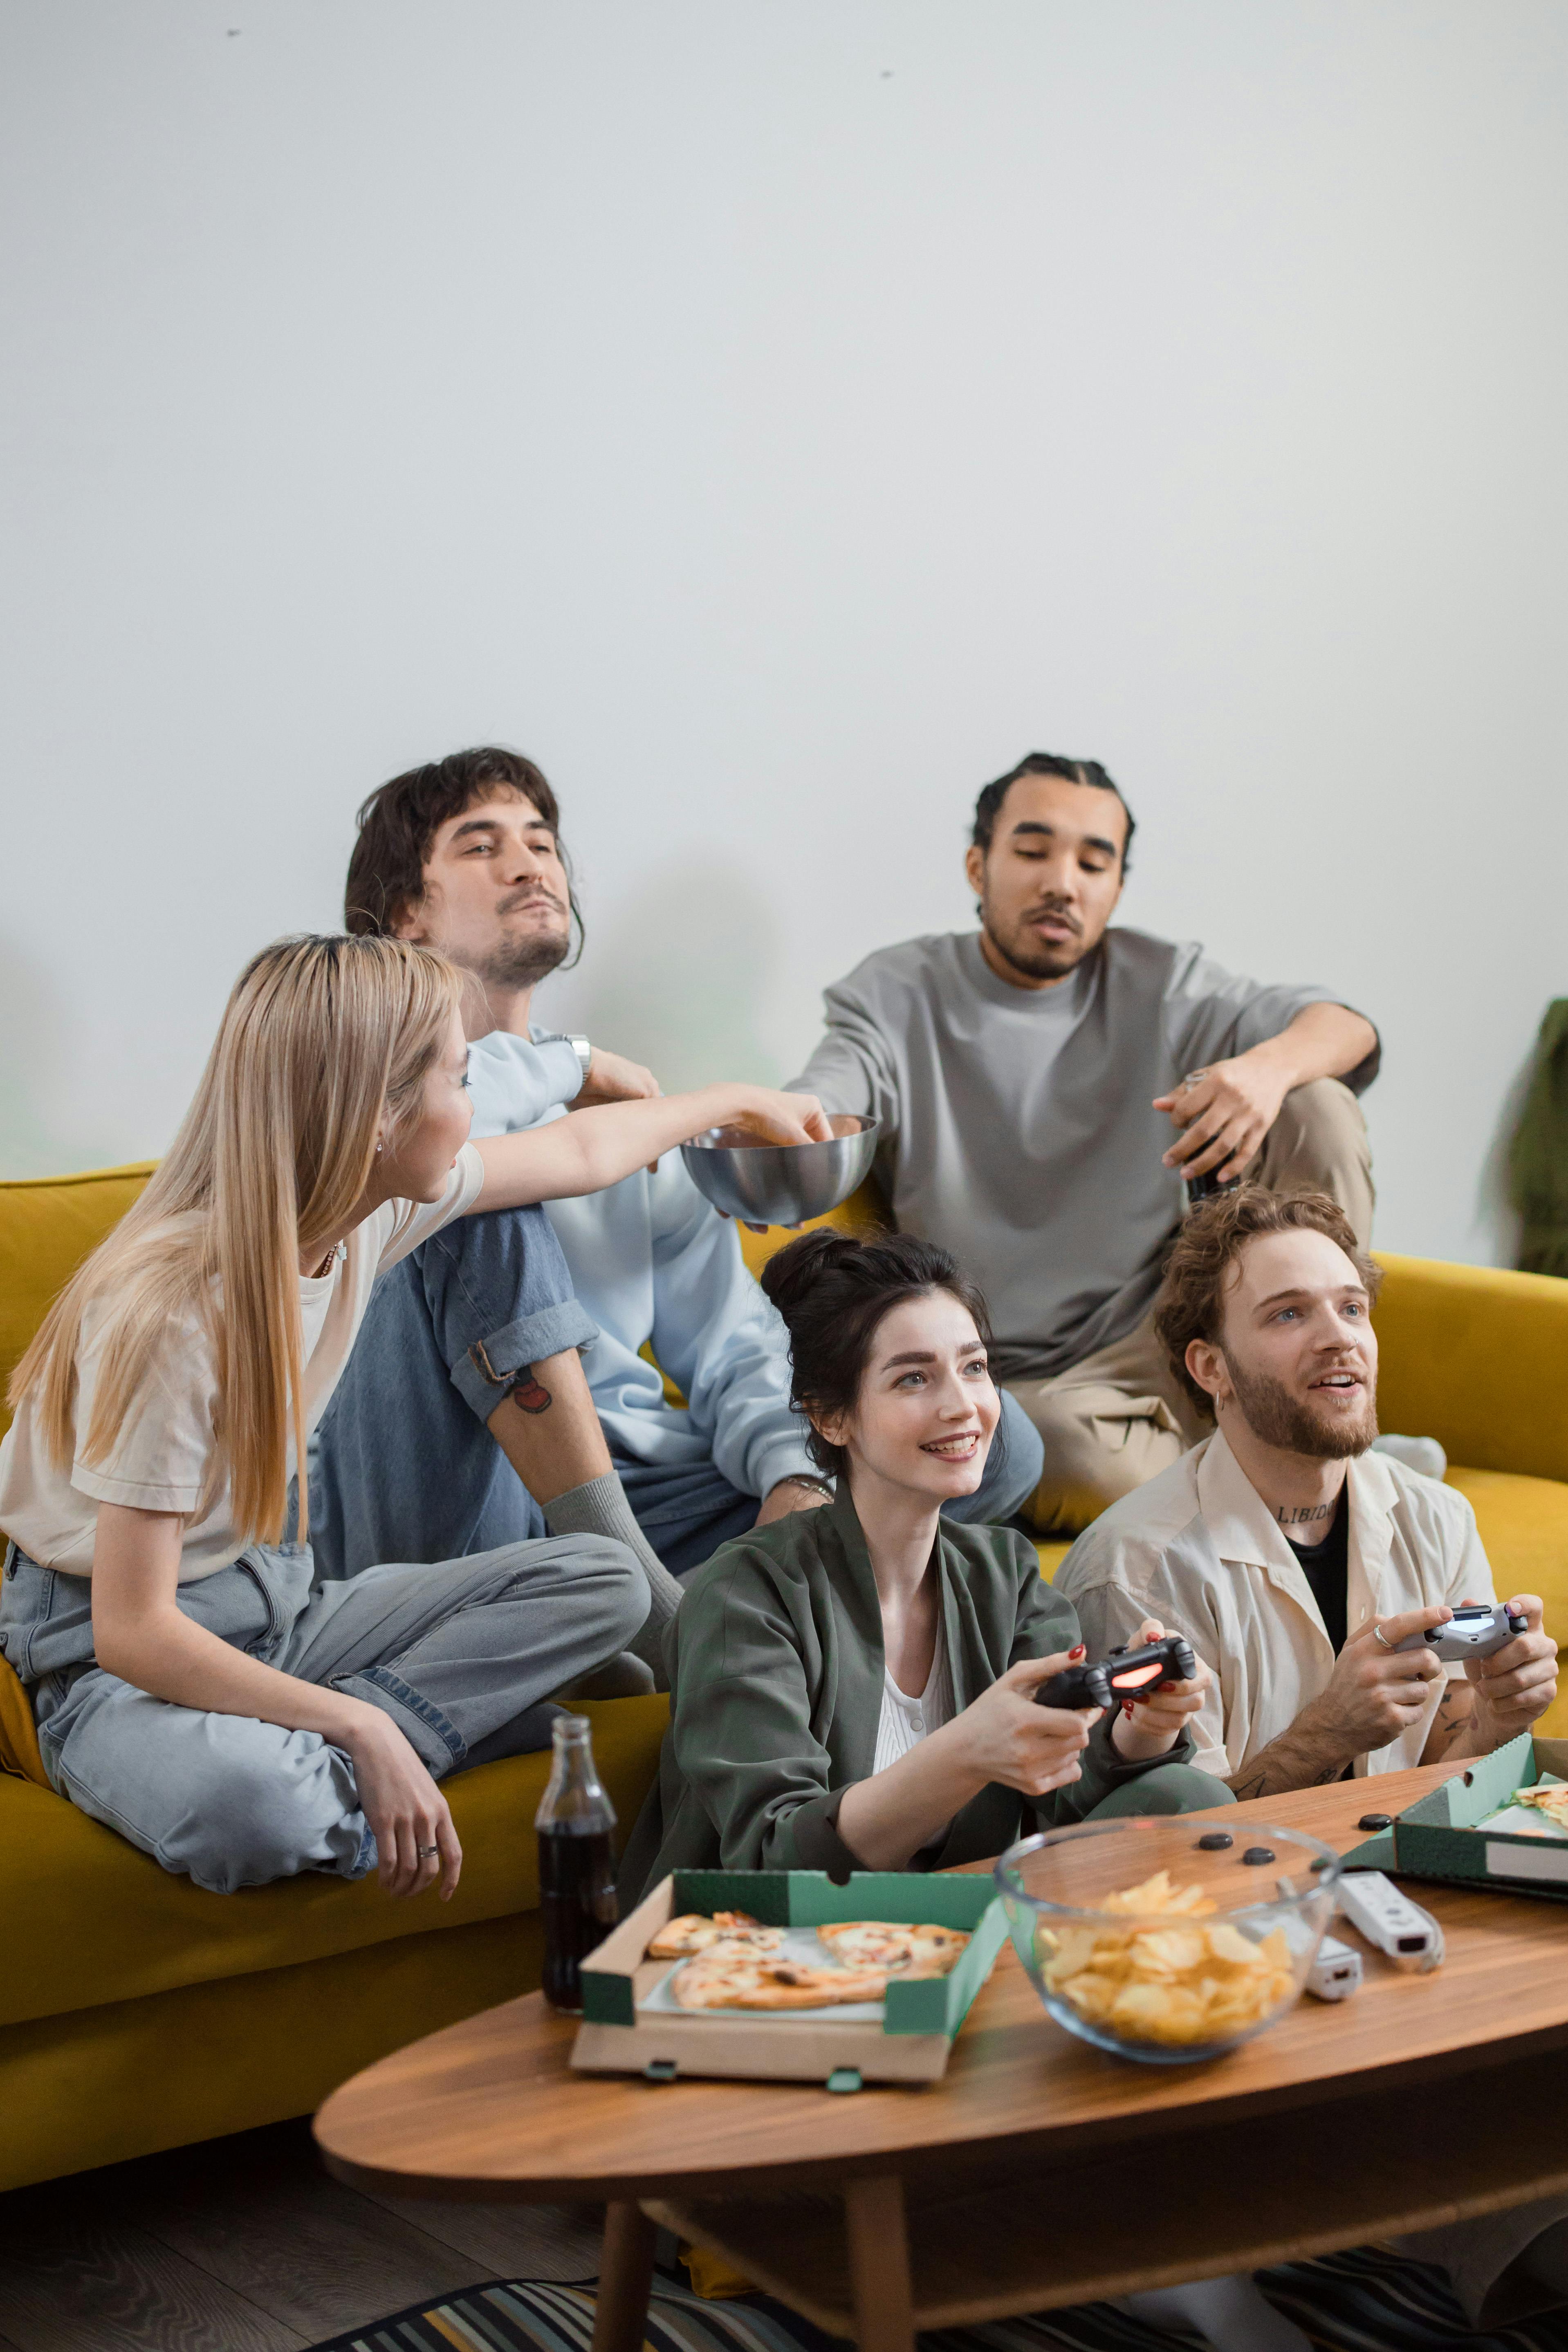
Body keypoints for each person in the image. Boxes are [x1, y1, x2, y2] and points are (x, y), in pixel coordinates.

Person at [0, 934, 831, 1897]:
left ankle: (324, 1726)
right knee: (256, 1812)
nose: (474, 1104)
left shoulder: (365, 1217)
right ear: (375, 1122)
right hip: (104, 1657)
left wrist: (736, 1101)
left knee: (608, 1579)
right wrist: (361, 1724)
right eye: (459, 1077)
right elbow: (132, 1629)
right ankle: (364, 1736)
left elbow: (577, 1149)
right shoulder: (181, 1314)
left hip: (275, 1599)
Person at [324, 746, 1043, 1591]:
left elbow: (731, 1341)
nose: (530, 865)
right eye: (482, 847)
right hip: (459, 1493)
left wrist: (794, 1475)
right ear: (406, 912)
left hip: (648, 1491)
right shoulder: (355, 1094)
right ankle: (648, 1606)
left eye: (542, 841)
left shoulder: (623, 1124)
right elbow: (450, 1145)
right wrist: (581, 1064)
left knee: (992, 1441)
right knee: (484, 1198)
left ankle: (694, 1606)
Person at [790, 751, 1381, 1532]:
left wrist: (1264, 1072)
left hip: (1176, 1333)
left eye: (1092, 863)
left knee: (1317, 1104)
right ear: (979, 865)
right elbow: (828, 1101)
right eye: (1032, 852)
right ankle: (1299, 1460)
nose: (1062, 882)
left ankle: (1310, 1418)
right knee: (1056, 1450)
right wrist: (789, 1133)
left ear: (1116, 888)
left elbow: (1349, 1028)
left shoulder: (1163, 981)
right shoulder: (895, 994)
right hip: (1031, 1382)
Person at [619, 1230, 1230, 1903]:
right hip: (775, 1952)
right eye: (914, 1378)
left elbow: (1066, 1797)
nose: (961, 1405)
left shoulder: (1005, 1573)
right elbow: (774, 1865)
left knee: (1183, 1792)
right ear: (831, 1417)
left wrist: (1141, 1730)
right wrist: (966, 1752)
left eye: (974, 1368)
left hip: (951, 1921)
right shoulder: (746, 1595)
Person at [1055, 1187, 1559, 1794]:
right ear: (1211, 1368)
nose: (1339, 1338)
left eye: (1352, 1309)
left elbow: (1433, 1787)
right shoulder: (1136, 1571)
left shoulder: (1438, 1517)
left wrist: (1496, 1721)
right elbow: (1168, 1844)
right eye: (1288, 1314)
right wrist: (1329, 1733)